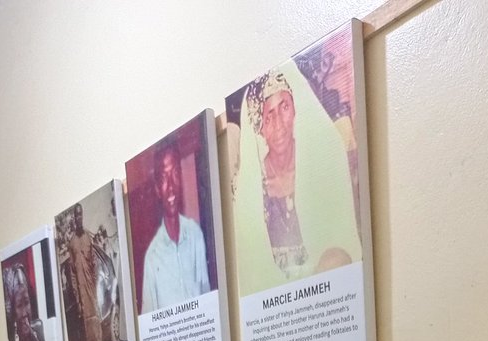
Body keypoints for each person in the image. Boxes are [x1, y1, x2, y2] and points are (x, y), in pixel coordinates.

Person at [234, 60, 362, 295]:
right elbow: (252, 279)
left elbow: (343, 250)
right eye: (269, 115)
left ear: (295, 108)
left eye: (284, 107)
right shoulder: (252, 194)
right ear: (259, 127)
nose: (279, 125)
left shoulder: (319, 170)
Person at [141, 141, 211, 312]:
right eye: (164, 178)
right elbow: (150, 324)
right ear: (158, 189)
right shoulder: (152, 257)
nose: (171, 187)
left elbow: (206, 296)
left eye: (175, 174)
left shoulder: (195, 235)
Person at [66, 203, 103, 341]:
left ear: (83, 216)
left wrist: (96, 289)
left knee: (96, 332)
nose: (79, 218)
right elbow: (72, 274)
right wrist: (77, 298)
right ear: (74, 219)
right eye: (76, 215)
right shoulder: (72, 244)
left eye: (80, 214)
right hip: (81, 299)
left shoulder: (89, 238)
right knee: (87, 339)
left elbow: (95, 265)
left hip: (92, 294)